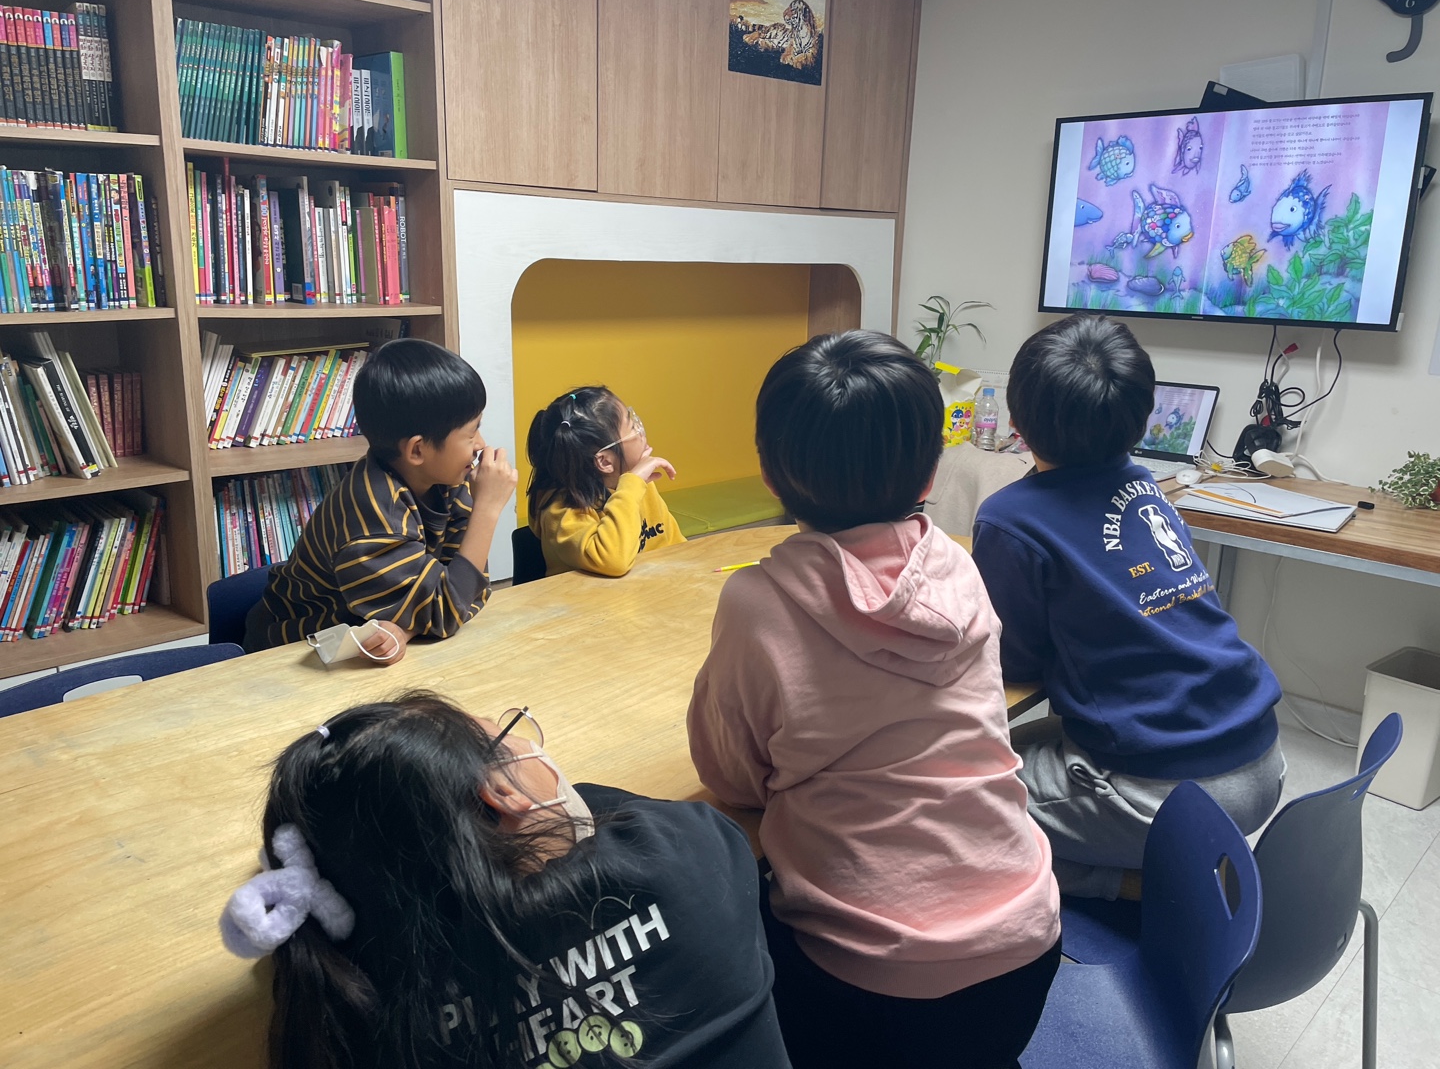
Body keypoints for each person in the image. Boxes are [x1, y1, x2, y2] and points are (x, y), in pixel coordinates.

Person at [687, 331, 1061, 1069]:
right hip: (1026, 944)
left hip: (867, 981)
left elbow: (732, 781)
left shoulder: (757, 602)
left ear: (769, 472)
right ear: (931, 468)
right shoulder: (957, 567)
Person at [220, 691, 791, 1069]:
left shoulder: (358, 995)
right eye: (510, 737)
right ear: (501, 793)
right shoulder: (689, 852)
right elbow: (607, 809)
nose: (530, 745)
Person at [970, 314, 1285, 901]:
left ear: (1015, 420)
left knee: (950, 802)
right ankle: (1174, 859)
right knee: (1015, 747)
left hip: (1166, 792)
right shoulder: (1145, 486)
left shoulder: (1010, 518)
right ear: (1143, 419)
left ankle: (1142, 883)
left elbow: (1012, 663)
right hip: (1261, 757)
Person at [243, 339, 517, 660]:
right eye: (471, 433)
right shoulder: (374, 517)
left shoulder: (443, 479)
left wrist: (411, 624)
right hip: (296, 650)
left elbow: (468, 589)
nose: (480, 444)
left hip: (363, 638)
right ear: (417, 450)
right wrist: (487, 509)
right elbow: (447, 610)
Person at [525, 387, 684, 577]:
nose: (641, 430)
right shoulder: (563, 511)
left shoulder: (637, 485)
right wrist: (631, 486)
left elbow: (677, 548)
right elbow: (614, 561)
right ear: (605, 461)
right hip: (590, 596)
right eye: (632, 426)